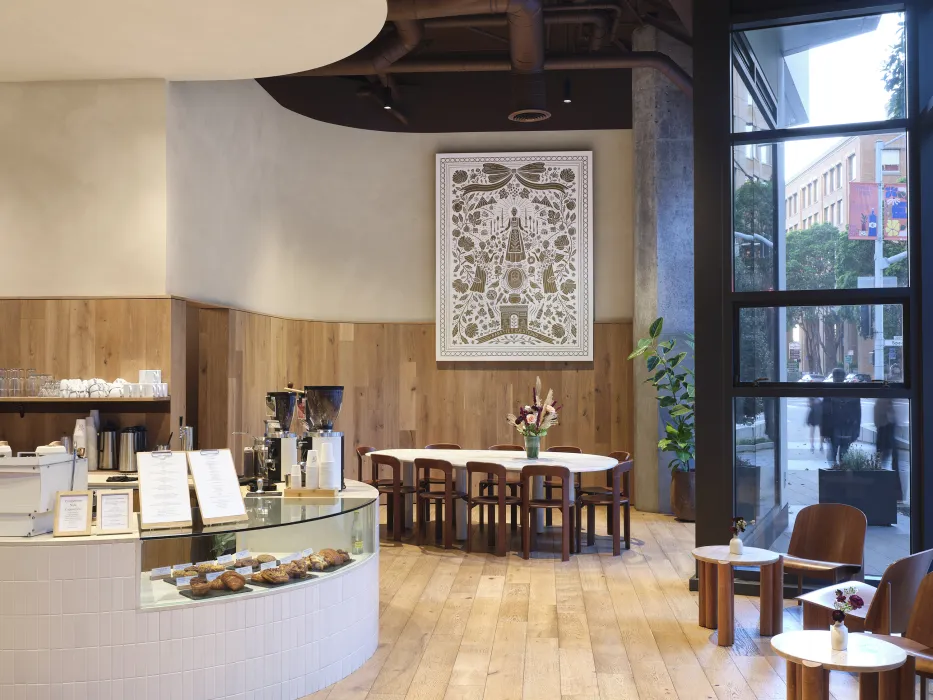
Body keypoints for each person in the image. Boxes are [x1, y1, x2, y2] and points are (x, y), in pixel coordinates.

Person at [821, 368, 861, 466]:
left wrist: (823, 432)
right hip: (847, 427)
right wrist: (856, 431)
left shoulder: (828, 392)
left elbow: (824, 414)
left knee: (833, 454)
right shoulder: (852, 392)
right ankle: (841, 473)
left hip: (833, 428)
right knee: (844, 454)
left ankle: (834, 472)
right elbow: (857, 414)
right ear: (844, 377)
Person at [873, 397, 898, 471]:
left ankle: (878, 464)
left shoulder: (879, 402)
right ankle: (893, 465)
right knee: (888, 444)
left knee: (881, 446)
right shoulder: (883, 402)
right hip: (885, 423)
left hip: (883, 423)